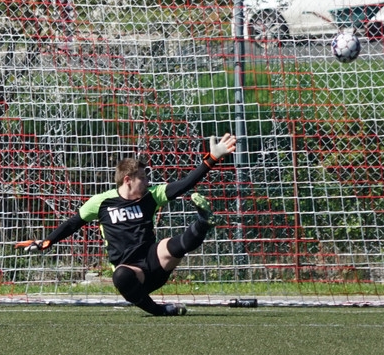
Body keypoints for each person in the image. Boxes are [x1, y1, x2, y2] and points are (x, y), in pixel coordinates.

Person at [17, 133, 237, 316]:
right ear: (127, 180)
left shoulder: (152, 195)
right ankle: (160, 310)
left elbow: (185, 184)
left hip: (154, 261)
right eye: (142, 177)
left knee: (176, 245)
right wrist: (47, 242)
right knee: (120, 276)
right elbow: (72, 224)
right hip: (131, 272)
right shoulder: (101, 202)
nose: (147, 181)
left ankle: (203, 223)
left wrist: (212, 159)